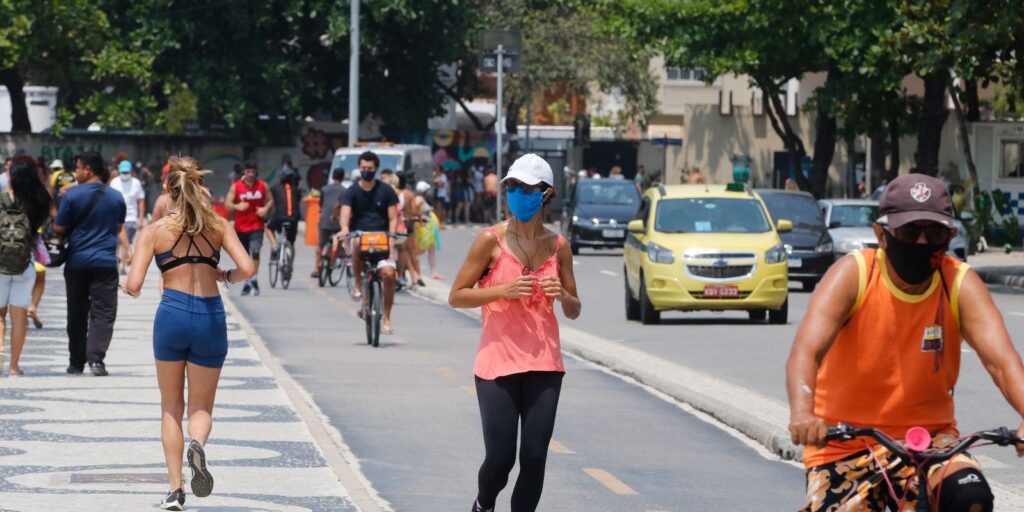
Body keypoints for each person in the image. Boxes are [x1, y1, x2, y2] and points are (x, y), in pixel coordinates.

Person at [786, 174, 1024, 511]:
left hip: (931, 442)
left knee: (971, 498)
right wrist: (802, 414)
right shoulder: (854, 275)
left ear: (951, 236)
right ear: (881, 234)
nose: (923, 243)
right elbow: (805, 352)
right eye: (911, 232)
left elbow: (1002, 361)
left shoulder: (958, 282)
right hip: (844, 443)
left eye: (936, 233)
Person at [448, 153, 581, 512]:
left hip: (545, 364)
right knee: (501, 458)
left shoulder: (558, 247)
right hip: (497, 364)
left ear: (546, 193)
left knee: (535, 456)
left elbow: (574, 309)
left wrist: (562, 294)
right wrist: (500, 291)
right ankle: (484, 503)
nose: (518, 193)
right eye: (513, 186)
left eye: (527, 188)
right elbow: (456, 296)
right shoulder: (489, 241)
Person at [123, 156, 255, 511]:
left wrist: (129, 286)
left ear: (168, 191)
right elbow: (248, 267)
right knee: (201, 405)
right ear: (198, 188)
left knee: (170, 405)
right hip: (211, 314)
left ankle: (175, 490)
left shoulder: (154, 232)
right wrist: (224, 276)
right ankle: (197, 443)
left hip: (172, 315)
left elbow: (134, 285)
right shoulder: (219, 225)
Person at [54, 151, 131, 376]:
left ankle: (76, 362)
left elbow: (59, 228)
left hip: (77, 261)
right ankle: (96, 360)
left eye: (78, 168)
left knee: (76, 311)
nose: (76, 172)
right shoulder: (116, 197)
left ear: (88, 169)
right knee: (104, 312)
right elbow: (118, 227)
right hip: (105, 262)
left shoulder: (71, 196)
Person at [336, 151, 399, 334]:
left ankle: (386, 317)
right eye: (363, 168)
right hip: (360, 237)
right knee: (355, 243)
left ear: (376, 169)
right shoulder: (351, 191)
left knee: (388, 274)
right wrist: (344, 228)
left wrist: (392, 238)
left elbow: (393, 218)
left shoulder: (386, 190)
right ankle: (357, 285)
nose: (366, 171)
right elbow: (345, 214)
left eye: (370, 168)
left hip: (382, 239)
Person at [0, 158, 52, 376]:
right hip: (24, 265)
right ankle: (14, 366)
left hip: (0, 265)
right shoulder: (40, 200)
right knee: (18, 315)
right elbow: (41, 227)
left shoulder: (1, 198)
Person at [225, 162, 273, 296]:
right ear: (244, 173)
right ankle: (248, 281)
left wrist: (265, 208)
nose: (250, 174)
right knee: (245, 257)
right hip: (241, 227)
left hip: (257, 225)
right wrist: (237, 206)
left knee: (256, 252)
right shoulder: (236, 186)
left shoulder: (263, 185)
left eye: (252, 172)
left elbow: (270, 200)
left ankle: (254, 278)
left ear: (256, 173)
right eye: (248, 172)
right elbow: (227, 204)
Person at [110, 159, 146, 275]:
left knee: (125, 243)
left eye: (127, 172)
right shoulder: (114, 182)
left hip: (130, 218)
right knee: (117, 243)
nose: (125, 175)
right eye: (123, 172)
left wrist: (140, 219)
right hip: (116, 217)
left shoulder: (136, 183)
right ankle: (116, 263)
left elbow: (141, 201)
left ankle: (122, 266)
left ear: (131, 172)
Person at [314, 168, 347, 278]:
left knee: (320, 244)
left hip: (325, 220)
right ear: (342, 178)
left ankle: (317, 267)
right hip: (337, 220)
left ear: (332, 177)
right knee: (338, 242)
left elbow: (321, 204)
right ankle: (332, 261)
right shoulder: (345, 190)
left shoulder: (324, 189)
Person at [267, 170, 302, 270]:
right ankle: (290, 265)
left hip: (279, 217)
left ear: (279, 178)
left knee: (268, 228)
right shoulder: (296, 190)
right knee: (291, 243)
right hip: (294, 218)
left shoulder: (274, 188)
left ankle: (274, 246)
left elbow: (271, 202)